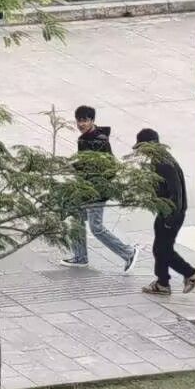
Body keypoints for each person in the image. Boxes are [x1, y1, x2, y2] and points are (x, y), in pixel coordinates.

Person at [60, 105, 138, 271]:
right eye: (79, 121)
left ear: (92, 120)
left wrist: (97, 186)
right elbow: (84, 163)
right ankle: (80, 257)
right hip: (85, 188)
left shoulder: (100, 141)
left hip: (97, 191)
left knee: (96, 228)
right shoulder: (83, 139)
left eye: (85, 120)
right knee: (76, 217)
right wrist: (73, 168)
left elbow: (109, 167)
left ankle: (128, 252)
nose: (81, 124)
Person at [135, 128, 195, 294]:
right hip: (165, 212)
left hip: (171, 214)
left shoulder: (163, 163)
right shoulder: (160, 160)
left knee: (163, 250)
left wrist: (170, 219)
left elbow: (176, 192)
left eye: (142, 147)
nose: (141, 151)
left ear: (150, 145)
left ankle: (190, 273)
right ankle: (162, 283)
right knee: (160, 249)